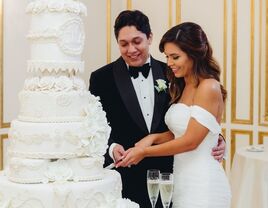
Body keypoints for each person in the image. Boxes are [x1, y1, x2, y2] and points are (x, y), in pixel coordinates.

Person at [89, 10, 226, 208]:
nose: (131, 49)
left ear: (149, 37)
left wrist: (217, 138)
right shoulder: (101, 78)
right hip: (127, 181)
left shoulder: (173, 73)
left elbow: (199, 126)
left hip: (171, 178)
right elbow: (93, 127)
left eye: (137, 41)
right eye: (124, 43)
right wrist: (111, 148)